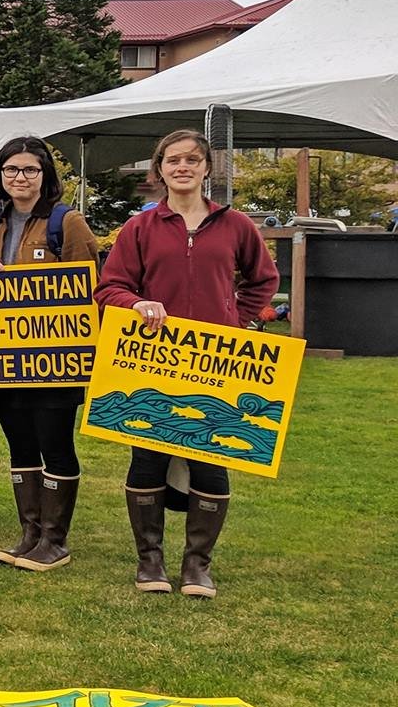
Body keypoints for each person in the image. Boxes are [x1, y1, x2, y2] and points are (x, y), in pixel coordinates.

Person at [95, 129, 278, 599]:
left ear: (206, 168)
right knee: (148, 459)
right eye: (173, 160)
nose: (182, 167)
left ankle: (197, 565)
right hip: (152, 361)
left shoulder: (236, 225)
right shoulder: (140, 228)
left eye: (192, 160)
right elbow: (110, 287)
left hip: (215, 363)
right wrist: (136, 304)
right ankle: (150, 561)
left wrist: (235, 319)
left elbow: (263, 279)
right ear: (159, 169)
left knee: (212, 461)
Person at [0, 136, 98, 571]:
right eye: (11, 169)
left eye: (30, 169)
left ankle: (54, 540)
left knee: (55, 444)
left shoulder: (67, 223)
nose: (20, 177)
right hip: (3, 357)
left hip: (55, 357)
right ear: (0, 176)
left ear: (45, 176)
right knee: (21, 445)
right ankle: (30, 534)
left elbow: (89, 288)